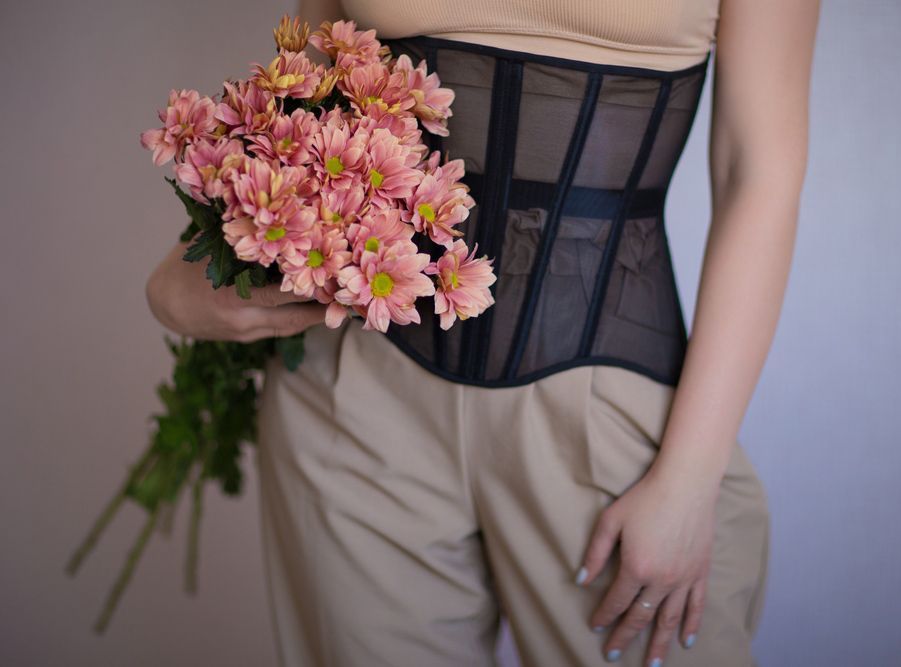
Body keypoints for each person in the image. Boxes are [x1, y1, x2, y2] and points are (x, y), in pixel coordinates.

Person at [145, 0, 820, 664]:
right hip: (358, 392)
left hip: (605, 408)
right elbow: (317, 97)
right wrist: (204, 259)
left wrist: (689, 480)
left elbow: (756, 173)